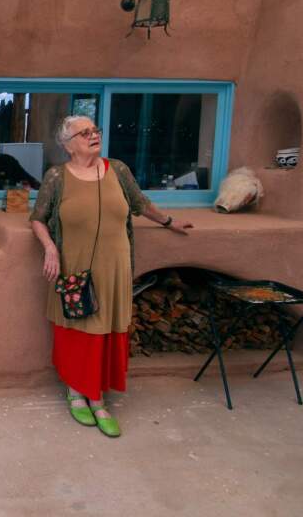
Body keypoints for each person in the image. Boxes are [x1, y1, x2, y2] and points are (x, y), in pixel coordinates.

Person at [29, 115, 193, 437]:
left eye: (95, 130)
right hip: (74, 269)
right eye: (84, 132)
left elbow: (140, 203)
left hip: (115, 268)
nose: (93, 135)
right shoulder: (56, 177)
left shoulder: (117, 169)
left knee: (106, 330)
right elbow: (38, 218)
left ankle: (97, 394)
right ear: (67, 144)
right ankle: (78, 391)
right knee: (78, 329)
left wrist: (168, 221)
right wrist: (49, 248)